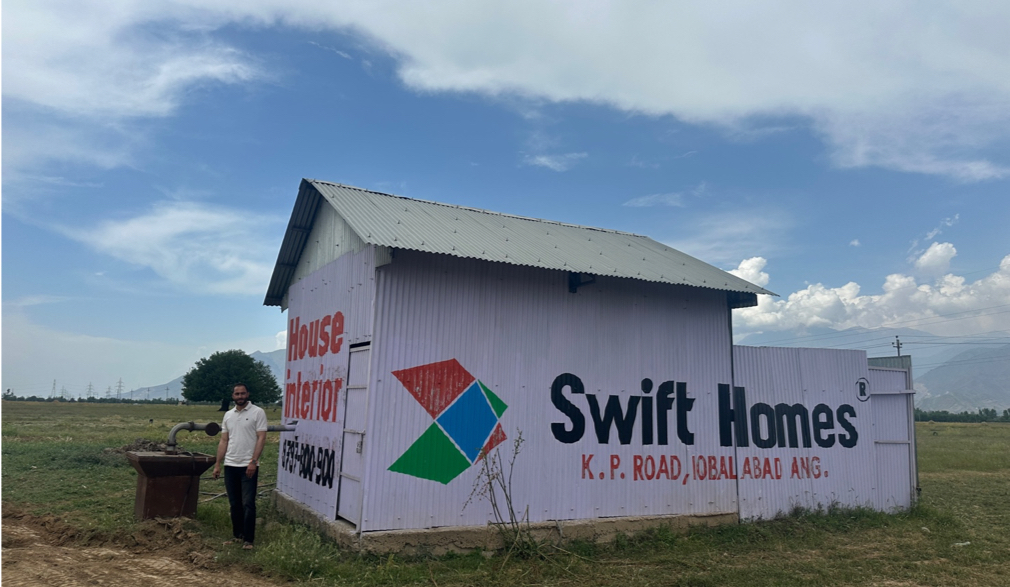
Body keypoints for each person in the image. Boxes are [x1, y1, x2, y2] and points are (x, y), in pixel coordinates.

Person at [212, 383, 268, 550]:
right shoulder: (228, 415)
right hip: (230, 464)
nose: (240, 396)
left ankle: (249, 540)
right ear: (233, 396)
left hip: (247, 465)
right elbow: (224, 440)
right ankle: (238, 535)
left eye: (243, 393)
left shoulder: (257, 413)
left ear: (248, 394)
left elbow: (261, 438)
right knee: (234, 502)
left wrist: (253, 461)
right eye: (237, 394)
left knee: (248, 503)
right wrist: (217, 464)